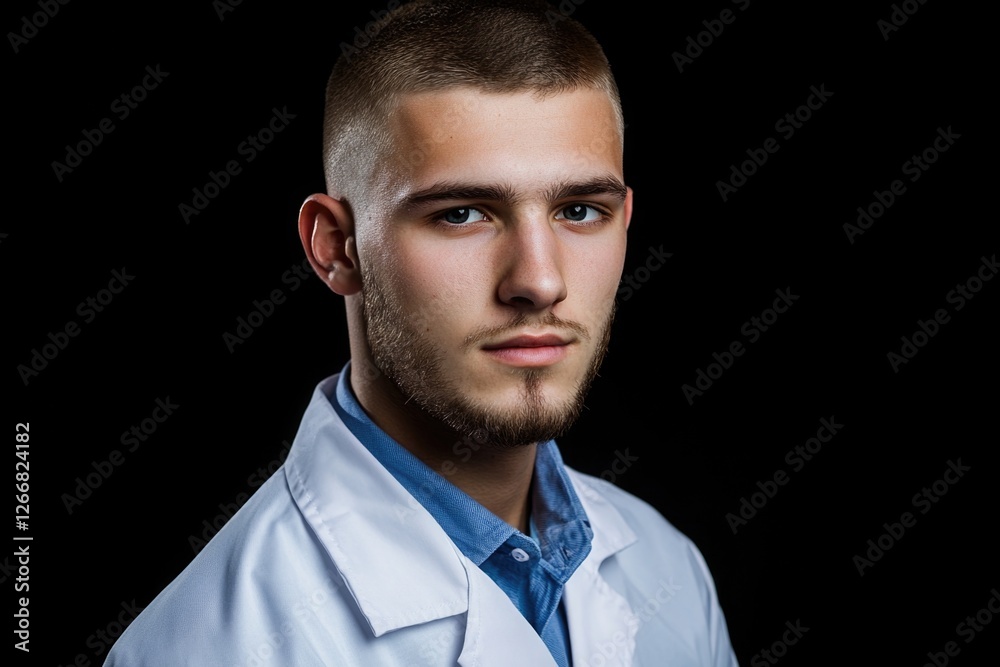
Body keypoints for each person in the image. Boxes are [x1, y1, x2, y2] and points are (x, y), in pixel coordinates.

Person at [105, 1, 738, 665]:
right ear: (338, 247)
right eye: (463, 213)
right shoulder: (214, 646)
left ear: (626, 218)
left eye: (579, 210)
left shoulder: (668, 568)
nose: (540, 280)